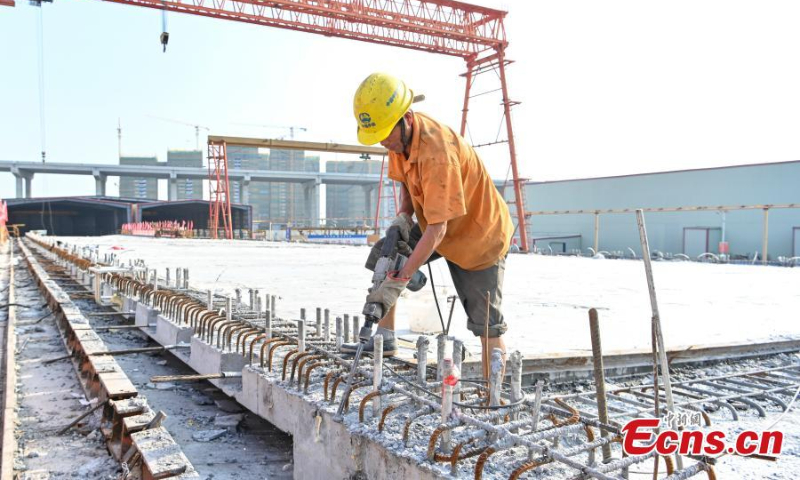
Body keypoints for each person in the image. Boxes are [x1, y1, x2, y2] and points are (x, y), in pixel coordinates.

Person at [342, 72, 513, 378]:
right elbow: (407, 182)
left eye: (385, 133)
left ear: (405, 118)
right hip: (437, 220)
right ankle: (385, 337)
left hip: (478, 235)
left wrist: (403, 276)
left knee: (486, 320)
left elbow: (438, 230)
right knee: (388, 253)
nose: (382, 141)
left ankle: (496, 393)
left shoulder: (438, 153)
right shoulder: (400, 140)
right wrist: (403, 218)